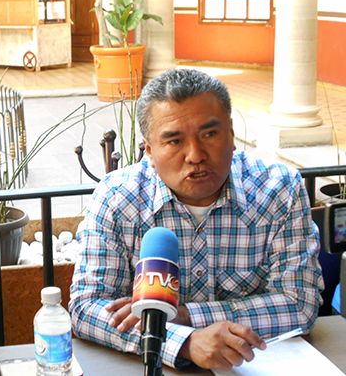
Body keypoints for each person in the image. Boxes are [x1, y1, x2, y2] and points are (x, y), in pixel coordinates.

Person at [69, 68, 324, 371]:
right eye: (174, 141)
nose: (196, 155)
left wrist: (185, 315)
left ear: (231, 134)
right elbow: (87, 308)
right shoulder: (117, 197)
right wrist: (185, 342)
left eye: (209, 134)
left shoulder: (278, 190)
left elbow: (299, 304)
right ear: (149, 150)